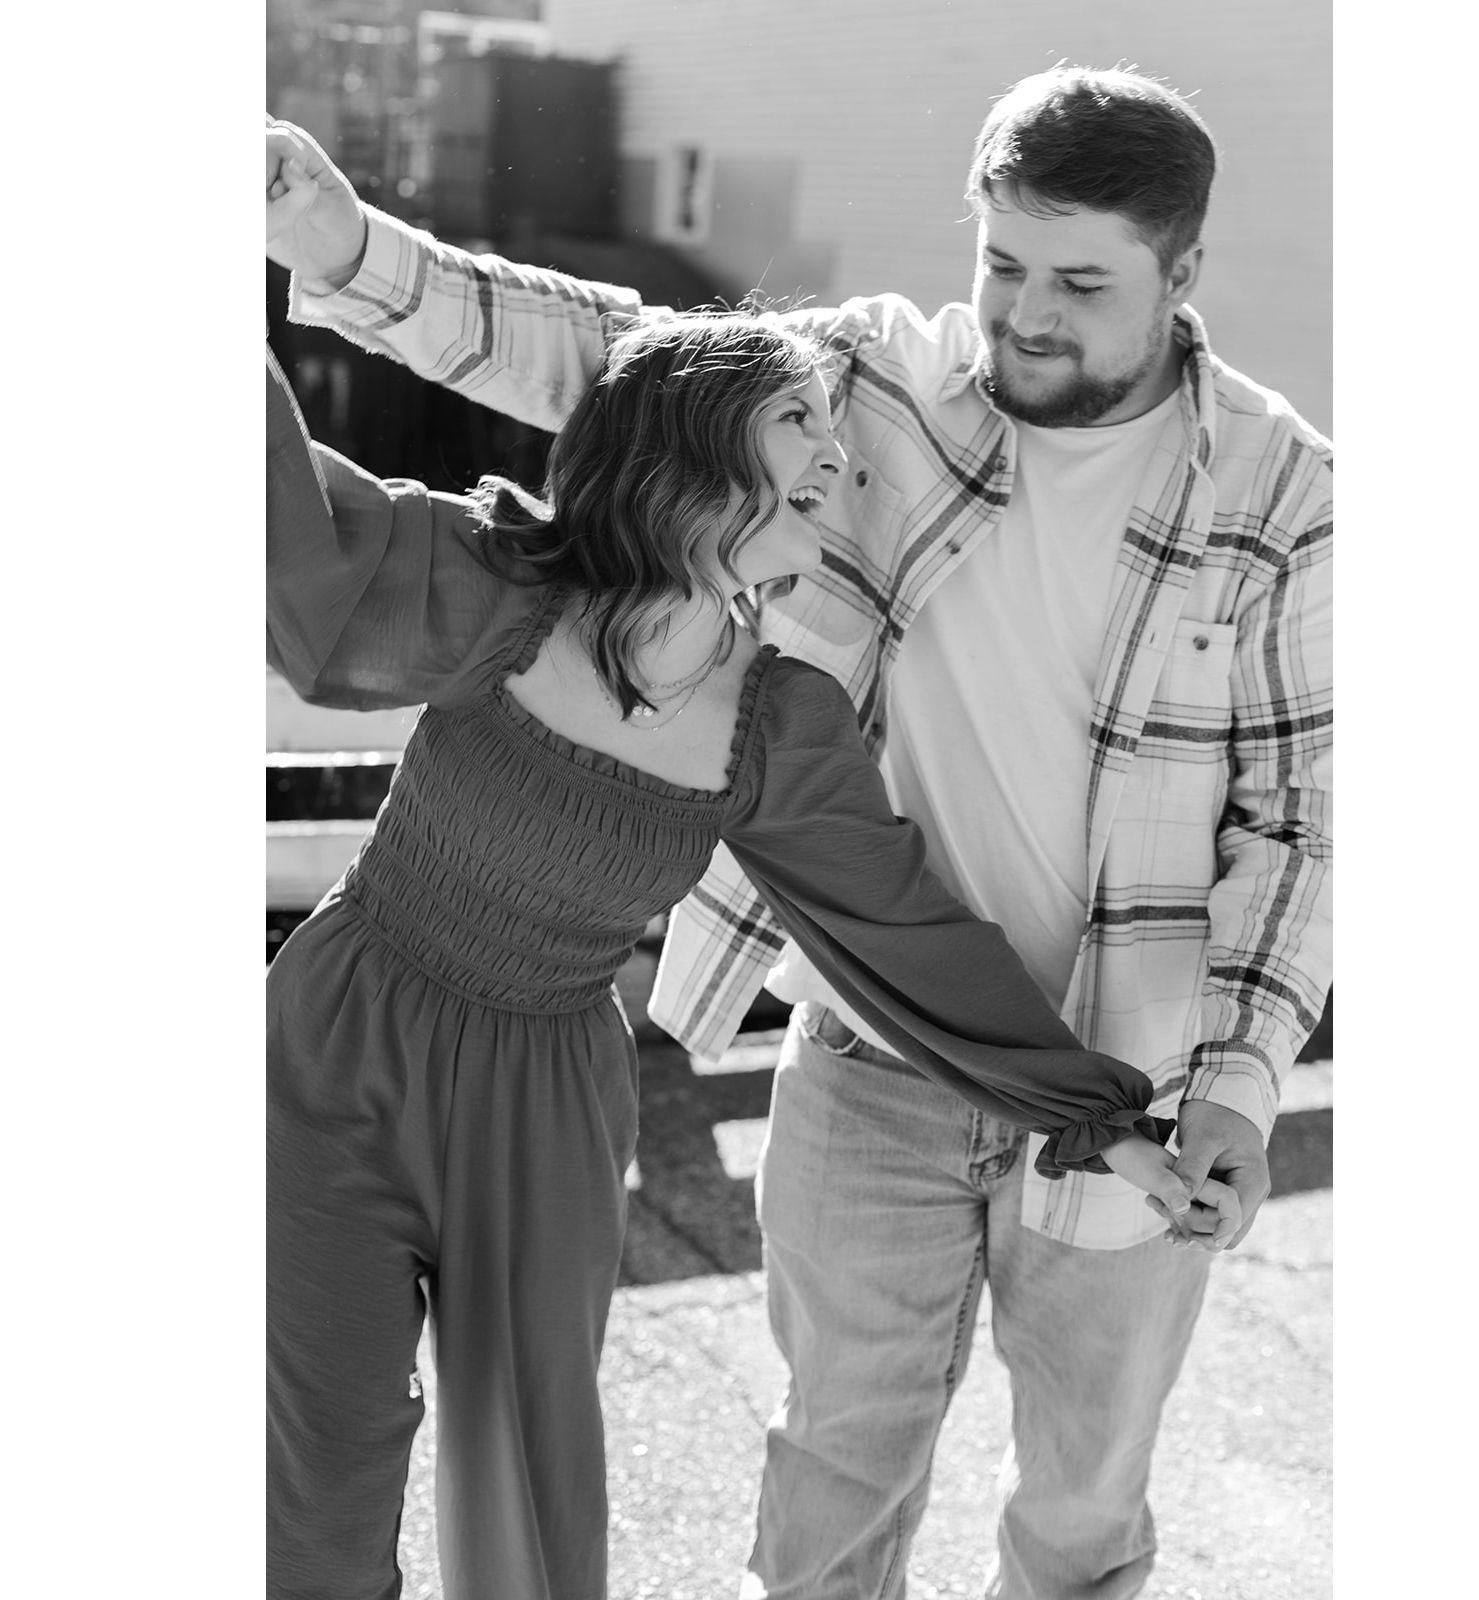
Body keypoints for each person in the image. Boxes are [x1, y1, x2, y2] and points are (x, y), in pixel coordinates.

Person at [267, 58, 1331, 1600]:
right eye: (1003, 263)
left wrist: (1209, 1096)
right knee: (819, 1487)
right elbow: (615, 358)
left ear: (1182, 274)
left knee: (1078, 1515)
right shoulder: (872, 382)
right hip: (844, 1071)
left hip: (1127, 1061)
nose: (1024, 313)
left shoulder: (1286, 497)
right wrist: (344, 246)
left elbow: (1295, 823)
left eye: (1080, 283)